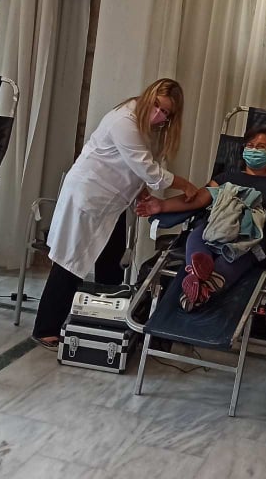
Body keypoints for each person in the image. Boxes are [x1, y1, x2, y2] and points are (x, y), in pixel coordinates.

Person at [32, 78, 199, 350]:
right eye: (157, 105)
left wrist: (141, 191)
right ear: (148, 97)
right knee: (70, 261)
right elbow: (148, 170)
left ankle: (102, 322)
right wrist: (186, 185)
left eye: (166, 112)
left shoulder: (149, 128)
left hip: (111, 203)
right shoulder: (125, 120)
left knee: (111, 261)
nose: (159, 113)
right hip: (89, 196)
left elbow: (134, 168)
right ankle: (46, 328)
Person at [137, 127, 266, 309]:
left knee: (238, 251)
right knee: (198, 235)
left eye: (260, 147)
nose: (254, 150)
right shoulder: (226, 177)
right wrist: (162, 205)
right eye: (250, 145)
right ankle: (198, 275)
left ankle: (196, 289)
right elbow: (198, 199)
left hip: (250, 238)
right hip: (215, 228)